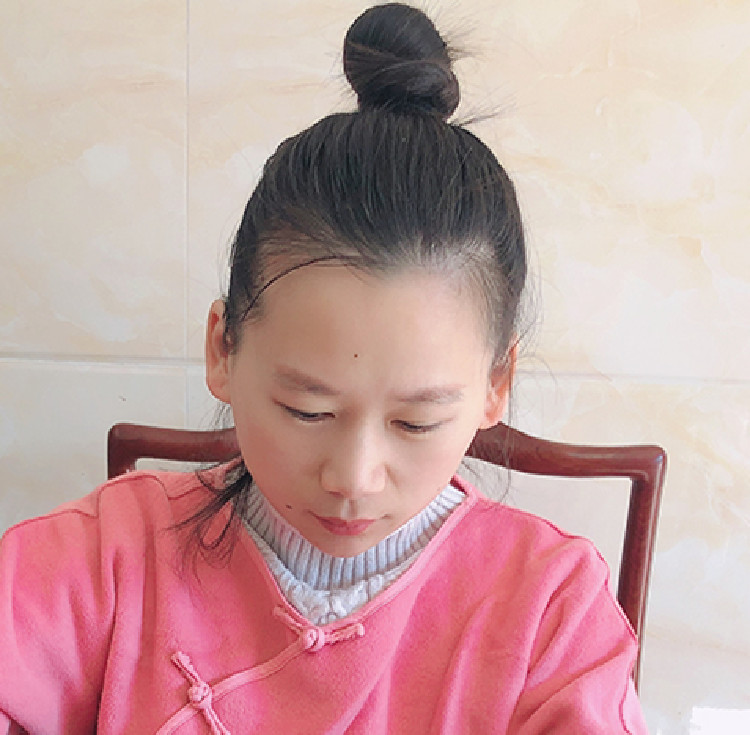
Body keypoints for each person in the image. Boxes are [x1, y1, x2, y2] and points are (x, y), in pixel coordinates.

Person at [0, 3, 647, 732]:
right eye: (307, 411)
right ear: (222, 349)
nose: (353, 478)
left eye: (416, 421)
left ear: (497, 384)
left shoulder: (551, 610)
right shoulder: (105, 558)